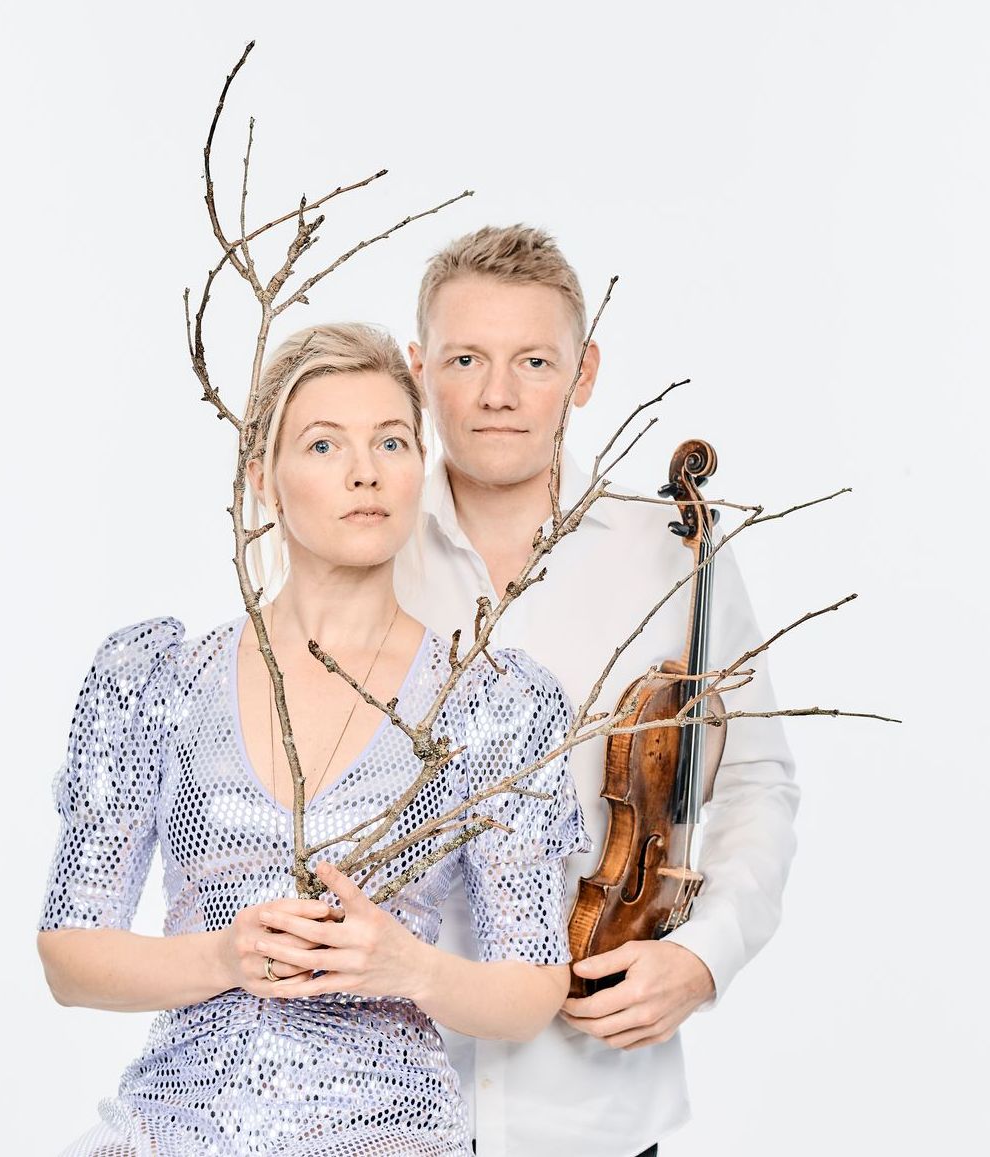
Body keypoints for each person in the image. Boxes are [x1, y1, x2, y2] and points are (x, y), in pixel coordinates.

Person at [36, 322, 591, 1157]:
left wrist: (408, 968)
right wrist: (224, 959)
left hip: (390, 1134)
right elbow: (68, 954)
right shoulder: (158, 681)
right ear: (263, 478)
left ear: (419, 468)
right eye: (324, 444)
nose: (365, 471)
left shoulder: (491, 703)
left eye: (391, 441)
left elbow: (531, 986)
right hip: (173, 1130)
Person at [395, 226, 801, 1157]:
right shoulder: (362, 549)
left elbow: (757, 784)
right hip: (379, 1108)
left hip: (596, 1111)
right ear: (420, 369)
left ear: (583, 374)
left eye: (534, 361)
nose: (499, 394)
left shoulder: (677, 554)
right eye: (465, 358)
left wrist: (703, 955)